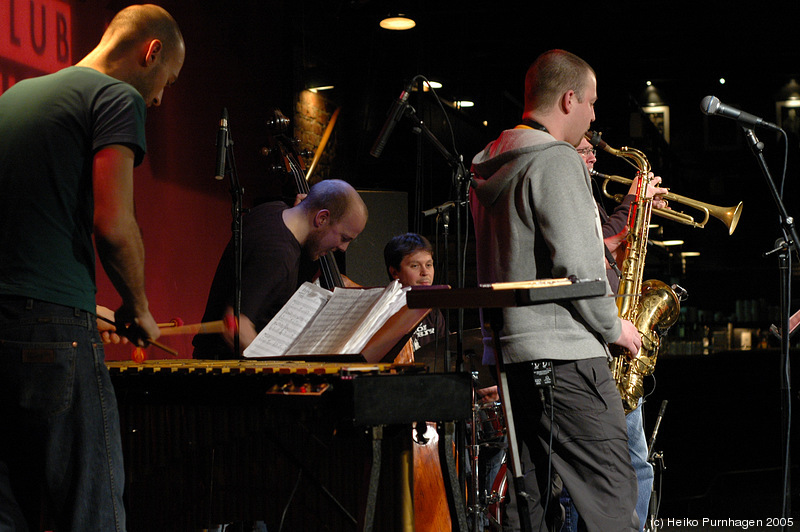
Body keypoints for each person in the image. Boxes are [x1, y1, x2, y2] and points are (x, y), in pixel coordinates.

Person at [0, 4, 184, 530]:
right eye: (165, 80)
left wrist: (81, 301)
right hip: (51, 338)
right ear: (151, 51)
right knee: (91, 514)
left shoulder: (16, 97)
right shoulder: (117, 96)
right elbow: (114, 224)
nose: (160, 97)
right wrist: (139, 307)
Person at [469, 49, 641, 531]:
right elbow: (581, 270)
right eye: (590, 103)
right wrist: (614, 327)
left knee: (532, 509)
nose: (593, 114)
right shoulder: (558, 160)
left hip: (511, 363)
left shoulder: (491, 163)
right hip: (566, 360)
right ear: (569, 99)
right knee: (611, 500)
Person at [557, 138, 668, 532]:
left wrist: (631, 231)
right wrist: (634, 203)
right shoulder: (565, 192)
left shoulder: (591, 200)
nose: (593, 158)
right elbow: (585, 253)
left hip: (615, 346)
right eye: (586, 151)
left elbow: (605, 248)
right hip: (594, 344)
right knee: (592, 473)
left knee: (637, 462)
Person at [193, 178, 368, 358]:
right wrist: (283, 366)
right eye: (344, 238)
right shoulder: (277, 254)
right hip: (224, 370)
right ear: (322, 218)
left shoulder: (272, 209)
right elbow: (236, 325)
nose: (343, 248)